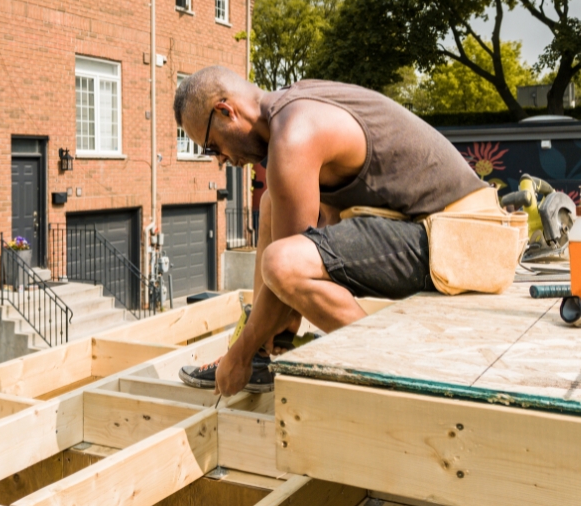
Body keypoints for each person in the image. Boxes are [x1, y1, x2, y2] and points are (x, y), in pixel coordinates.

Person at [172, 66, 490, 397]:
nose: (221, 160)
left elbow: (287, 265)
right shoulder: (296, 104)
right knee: (270, 206)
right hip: (433, 229)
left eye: (212, 147)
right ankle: (269, 352)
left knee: (284, 264)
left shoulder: (295, 133)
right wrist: (274, 325)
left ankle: (398, 371)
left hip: (463, 241)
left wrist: (240, 355)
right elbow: (321, 227)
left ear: (225, 111)